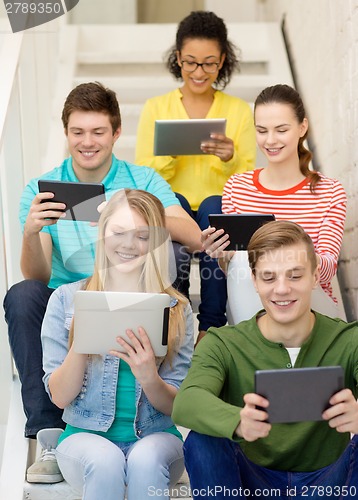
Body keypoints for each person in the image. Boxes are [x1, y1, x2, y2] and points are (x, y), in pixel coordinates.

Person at [2, 82, 200, 482]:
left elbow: (194, 236)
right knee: (22, 295)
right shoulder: (44, 188)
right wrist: (30, 232)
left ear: (116, 132)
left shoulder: (139, 178)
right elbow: (37, 276)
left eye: (97, 132)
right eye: (78, 132)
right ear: (66, 133)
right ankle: (50, 436)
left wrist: (132, 208)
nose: (87, 142)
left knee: (174, 252)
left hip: (136, 288)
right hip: (70, 298)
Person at [172, 220, 358, 499]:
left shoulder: (349, 339)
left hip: (331, 482)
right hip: (251, 481)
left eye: (294, 276)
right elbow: (187, 401)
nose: (281, 289)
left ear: (315, 275)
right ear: (255, 280)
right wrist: (237, 420)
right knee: (203, 439)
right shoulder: (224, 343)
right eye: (269, 278)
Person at [41, 189, 194, 499]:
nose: (128, 244)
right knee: (105, 459)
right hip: (84, 437)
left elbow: (178, 408)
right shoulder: (66, 300)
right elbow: (58, 397)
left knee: (146, 459)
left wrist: (149, 376)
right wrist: (82, 344)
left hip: (157, 436)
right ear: (102, 231)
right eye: (119, 232)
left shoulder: (177, 310)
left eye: (141, 236)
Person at [135, 11, 256, 341]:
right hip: (175, 205)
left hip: (216, 208)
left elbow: (249, 180)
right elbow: (144, 173)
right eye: (190, 62)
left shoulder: (238, 110)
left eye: (208, 63)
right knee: (177, 203)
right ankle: (178, 317)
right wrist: (169, 155)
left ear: (222, 61)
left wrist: (229, 158)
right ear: (177, 59)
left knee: (213, 209)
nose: (199, 72)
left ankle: (210, 325)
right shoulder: (156, 108)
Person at [202, 84, 347, 326]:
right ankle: (258, 349)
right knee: (241, 260)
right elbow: (235, 272)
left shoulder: (330, 191)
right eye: (261, 130)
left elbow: (327, 269)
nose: (270, 141)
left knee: (262, 263)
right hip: (257, 302)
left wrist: (285, 258)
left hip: (313, 306)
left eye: (281, 130)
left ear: (302, 127)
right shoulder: (237, 187)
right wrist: (221, 254)